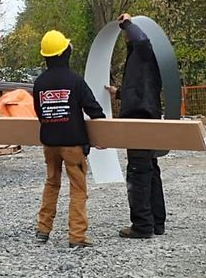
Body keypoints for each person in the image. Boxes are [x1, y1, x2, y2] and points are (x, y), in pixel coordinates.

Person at [33, 30, 105, 248]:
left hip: (49, 144)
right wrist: (101, 134)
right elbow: (94, 109)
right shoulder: (75, 81)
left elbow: (40, 113)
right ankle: (77, 237)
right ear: (65, 53)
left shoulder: (39, 83)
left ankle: (43, 230)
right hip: (73, 145)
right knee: (78, 189)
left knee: (51, 184)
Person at [105, 13, 166, 239]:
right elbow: (142, 88)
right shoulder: (144, 57)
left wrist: (127, 22)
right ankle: (156, 222)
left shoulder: (144, 48)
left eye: (127, 34)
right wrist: (118, 92)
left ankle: (142, 226)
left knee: (138, 171)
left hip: (140, 119)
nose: (125, 37)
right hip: (146, 116)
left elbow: (140, 40)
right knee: (150, 170)